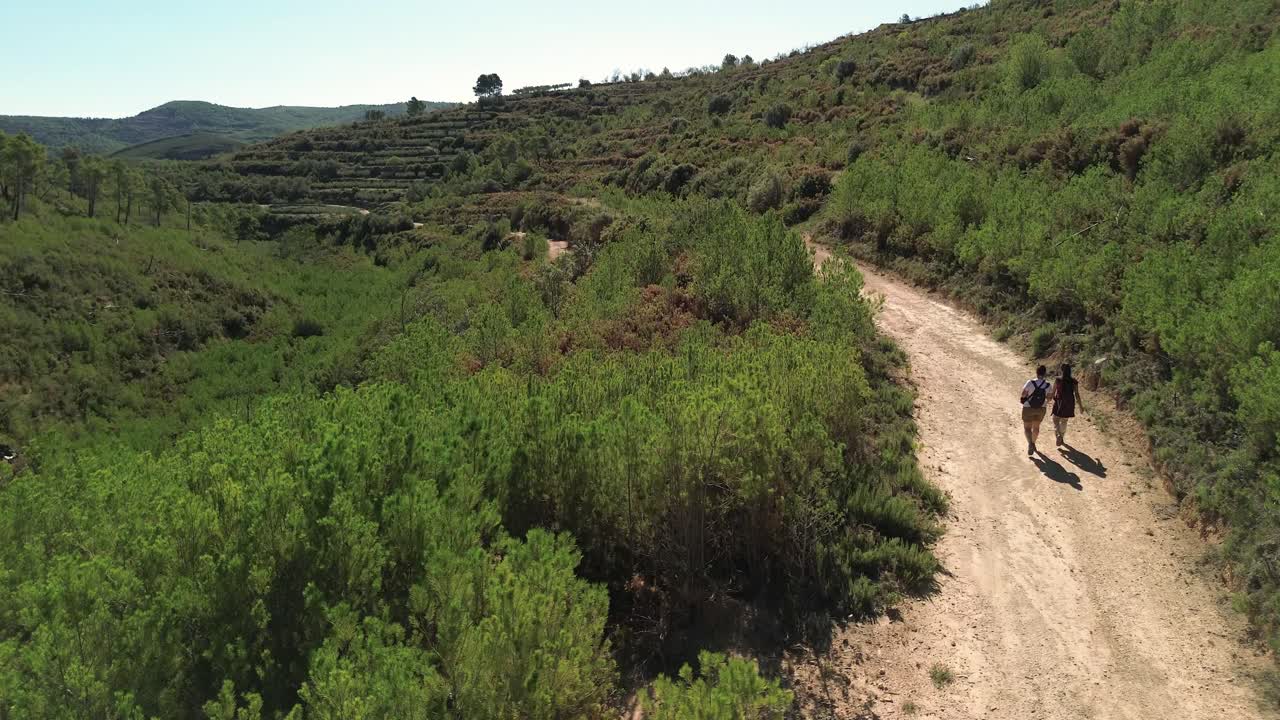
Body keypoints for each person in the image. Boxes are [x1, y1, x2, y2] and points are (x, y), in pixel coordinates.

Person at [1051, 363, 1085, 446]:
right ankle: (1061, 436)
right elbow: (1077, 394)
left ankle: (1058, 434)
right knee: (1064, 420)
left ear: (1062, 370)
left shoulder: (1058, 379)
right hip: (1069, 402)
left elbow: (1053, 391)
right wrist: (1080, 406)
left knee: (1055, 419)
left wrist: (1049, 399)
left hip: (1059, 402)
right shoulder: (1074, 381)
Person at [1020, 365, 1051, 456]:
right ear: (1045, 374)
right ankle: (1033, 443)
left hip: (1028, 407)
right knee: (1036, 428)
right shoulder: (1048, 385)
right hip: (1041, 408)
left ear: (1036, 373)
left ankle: (1030, 443)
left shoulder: (1030, 382)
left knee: (1027, 428)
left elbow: (1023, 395)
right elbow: (1049, 399)